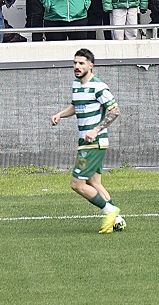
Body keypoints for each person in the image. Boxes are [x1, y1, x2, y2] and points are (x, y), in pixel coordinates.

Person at [50, 46, 126, 231]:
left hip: (94, 142)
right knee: (94, 183)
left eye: (81, 63)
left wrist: (96, 130)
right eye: (75, 63)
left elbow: (115, 110)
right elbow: (76, 106)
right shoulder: (76, 85)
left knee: (77, 184)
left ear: (91, 66)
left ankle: (110, 210)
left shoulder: (98, 86)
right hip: (85, 141)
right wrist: (60, 114)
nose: (77, 66)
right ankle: (117, 220)